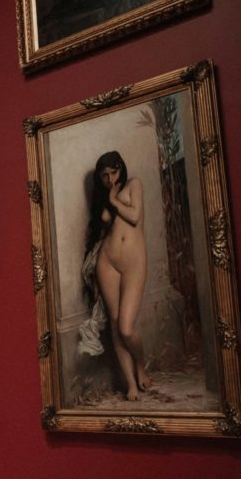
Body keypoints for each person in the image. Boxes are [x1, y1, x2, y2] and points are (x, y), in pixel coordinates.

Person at [80, 150, 152, 401]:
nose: (110, 179)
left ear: (121, 169)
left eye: (113, 172)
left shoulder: (134, 185)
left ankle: (141, 365)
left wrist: (113, 200)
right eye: (104, 175)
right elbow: (100, 236)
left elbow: (134, 216)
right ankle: (130, 383)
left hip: (134, 262)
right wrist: (92, 274)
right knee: (114, 323)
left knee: (126, 328)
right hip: (107, 262)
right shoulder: (103, 197)